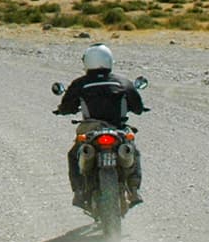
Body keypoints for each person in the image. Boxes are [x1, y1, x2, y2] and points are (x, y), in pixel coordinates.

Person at [53, 43, 147, 208]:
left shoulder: (80, 84)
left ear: (87, 61)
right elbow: (138, 107)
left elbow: (67, 107)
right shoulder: (122, 82)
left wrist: (62, 110)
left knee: (74, 155)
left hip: (90, 128)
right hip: (118, 130)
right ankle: (133, 191)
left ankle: (79, 192)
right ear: (109, 60)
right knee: (134, 151)